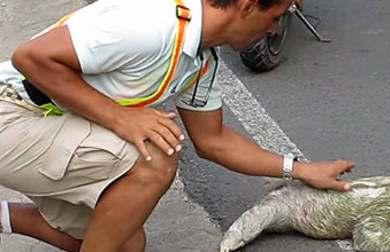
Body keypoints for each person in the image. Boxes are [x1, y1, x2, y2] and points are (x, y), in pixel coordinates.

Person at [0, 0, 354, 251]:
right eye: (275, 16)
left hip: (48, 127)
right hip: (11, 116)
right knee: (155, 157)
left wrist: (300, 170)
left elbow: (212, 140)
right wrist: (121, 118)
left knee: (125, 242)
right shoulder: (152, 23)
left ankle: (5, 218)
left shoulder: (200, 58)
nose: (275, 29)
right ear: (246, 6)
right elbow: (30, 57)